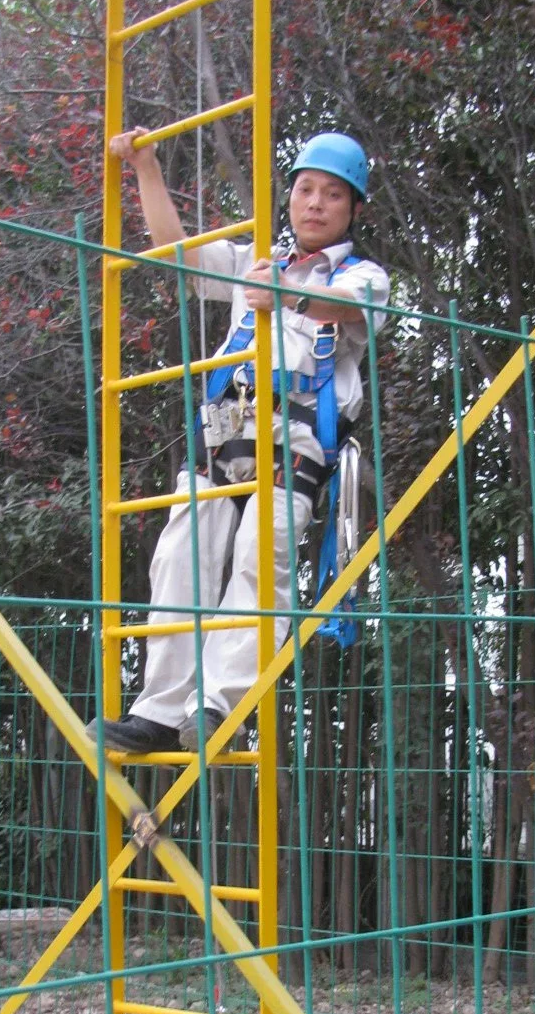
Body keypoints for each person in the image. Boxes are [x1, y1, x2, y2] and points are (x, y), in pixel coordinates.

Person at [91, 128, 390, 755]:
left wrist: (285, 294)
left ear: (352, 208)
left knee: (261, 559)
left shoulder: (363, 276)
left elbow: (347, 308)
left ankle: (217, 706)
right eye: (305, 189)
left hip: (295, 449)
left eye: (331, 195)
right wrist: (145, 168)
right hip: (223, 436)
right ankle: (160, 710)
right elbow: (174, 252)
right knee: (179, 556)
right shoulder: (254, 260)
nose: (314, 204)